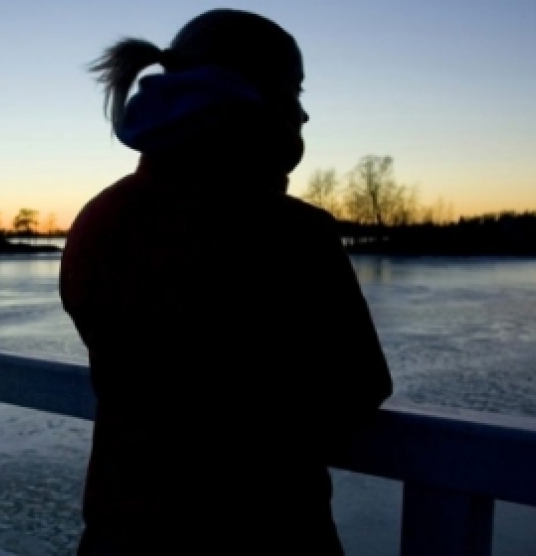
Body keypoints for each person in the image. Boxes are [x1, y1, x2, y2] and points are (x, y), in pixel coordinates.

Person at [60, 9, 392, 556]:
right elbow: (358, 390)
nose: (304, 113)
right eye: (295, 91)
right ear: (258, 95)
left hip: (120, 538)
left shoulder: (99, 219)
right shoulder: (291, 232)